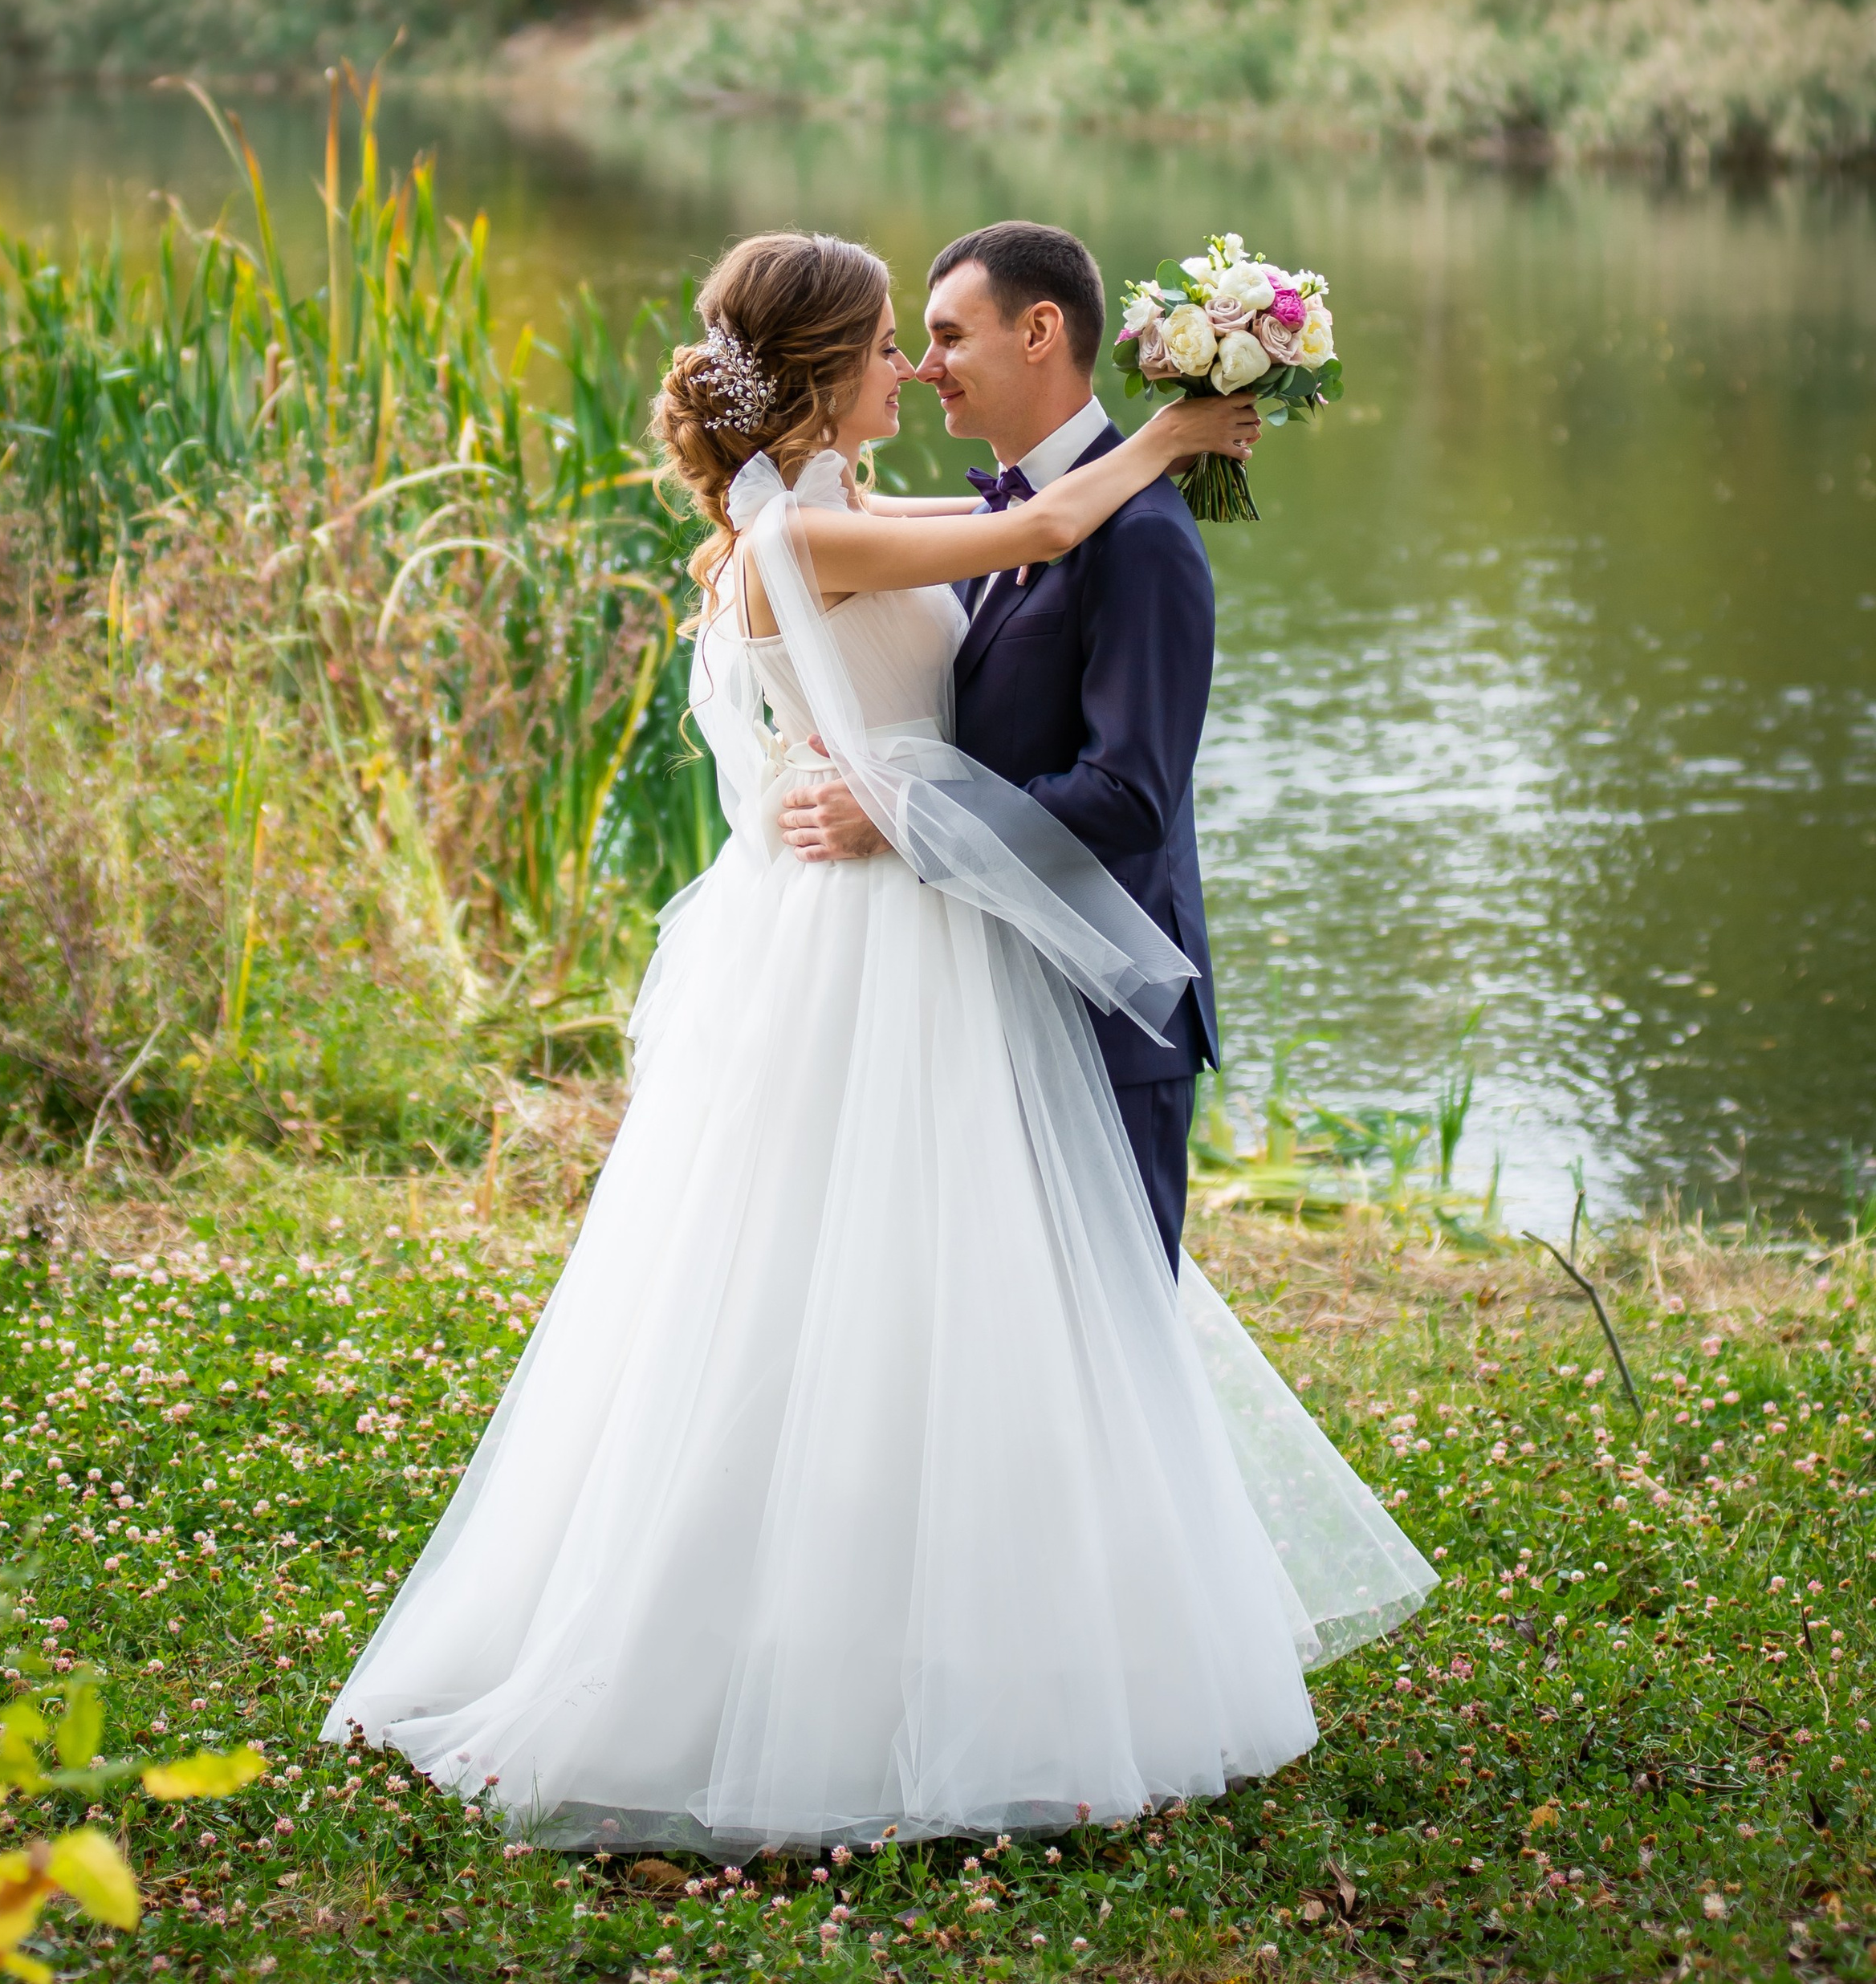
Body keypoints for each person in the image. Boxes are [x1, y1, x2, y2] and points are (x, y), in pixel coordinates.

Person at [323, 230, 1432, 1853]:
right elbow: (1037, 527)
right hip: (880, 943)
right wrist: (1178, 432)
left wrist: (1151, 455)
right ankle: (832, 1668)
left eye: (937, 336)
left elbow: (1025, 531)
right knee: (864, 1294)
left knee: (918, 1294)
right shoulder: (807, 534)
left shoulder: (807, 515)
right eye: (893, 343)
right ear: (829, 369)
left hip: (912, 936)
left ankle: (955, 1636)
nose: (913, 366)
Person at [782, 220, 1217, 1270]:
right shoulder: (996, 519)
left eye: (947, 337)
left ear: (1039, 331)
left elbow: (1127, 797)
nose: (924, 367)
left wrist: (901, 817)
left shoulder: (1143, 538)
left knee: (1106, 1322)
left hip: (1102, 1012)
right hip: (975, 996)